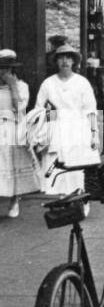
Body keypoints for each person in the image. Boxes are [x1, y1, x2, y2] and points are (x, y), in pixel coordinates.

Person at [34, 44, 100, 196]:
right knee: (57, 165)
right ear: (56, 61)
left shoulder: (82, 82)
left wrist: (94, 133)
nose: (65, 61)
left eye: (68, 58)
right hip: (56, 129)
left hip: (78, 128)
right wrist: (48, 121)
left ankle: (80, 198)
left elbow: (90, 110)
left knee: (77, 165)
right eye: (61, 58)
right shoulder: (48, 83)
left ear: (73, 61)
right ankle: (61, 200)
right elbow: (39, 109)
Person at [0, 50, 39, 217]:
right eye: (2, 68)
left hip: (13, 129)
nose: (4, 72)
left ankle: (15, 201)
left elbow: (19, 109)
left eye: (7, 68)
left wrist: (13, 86)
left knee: (14, 164)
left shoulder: (22, 86)